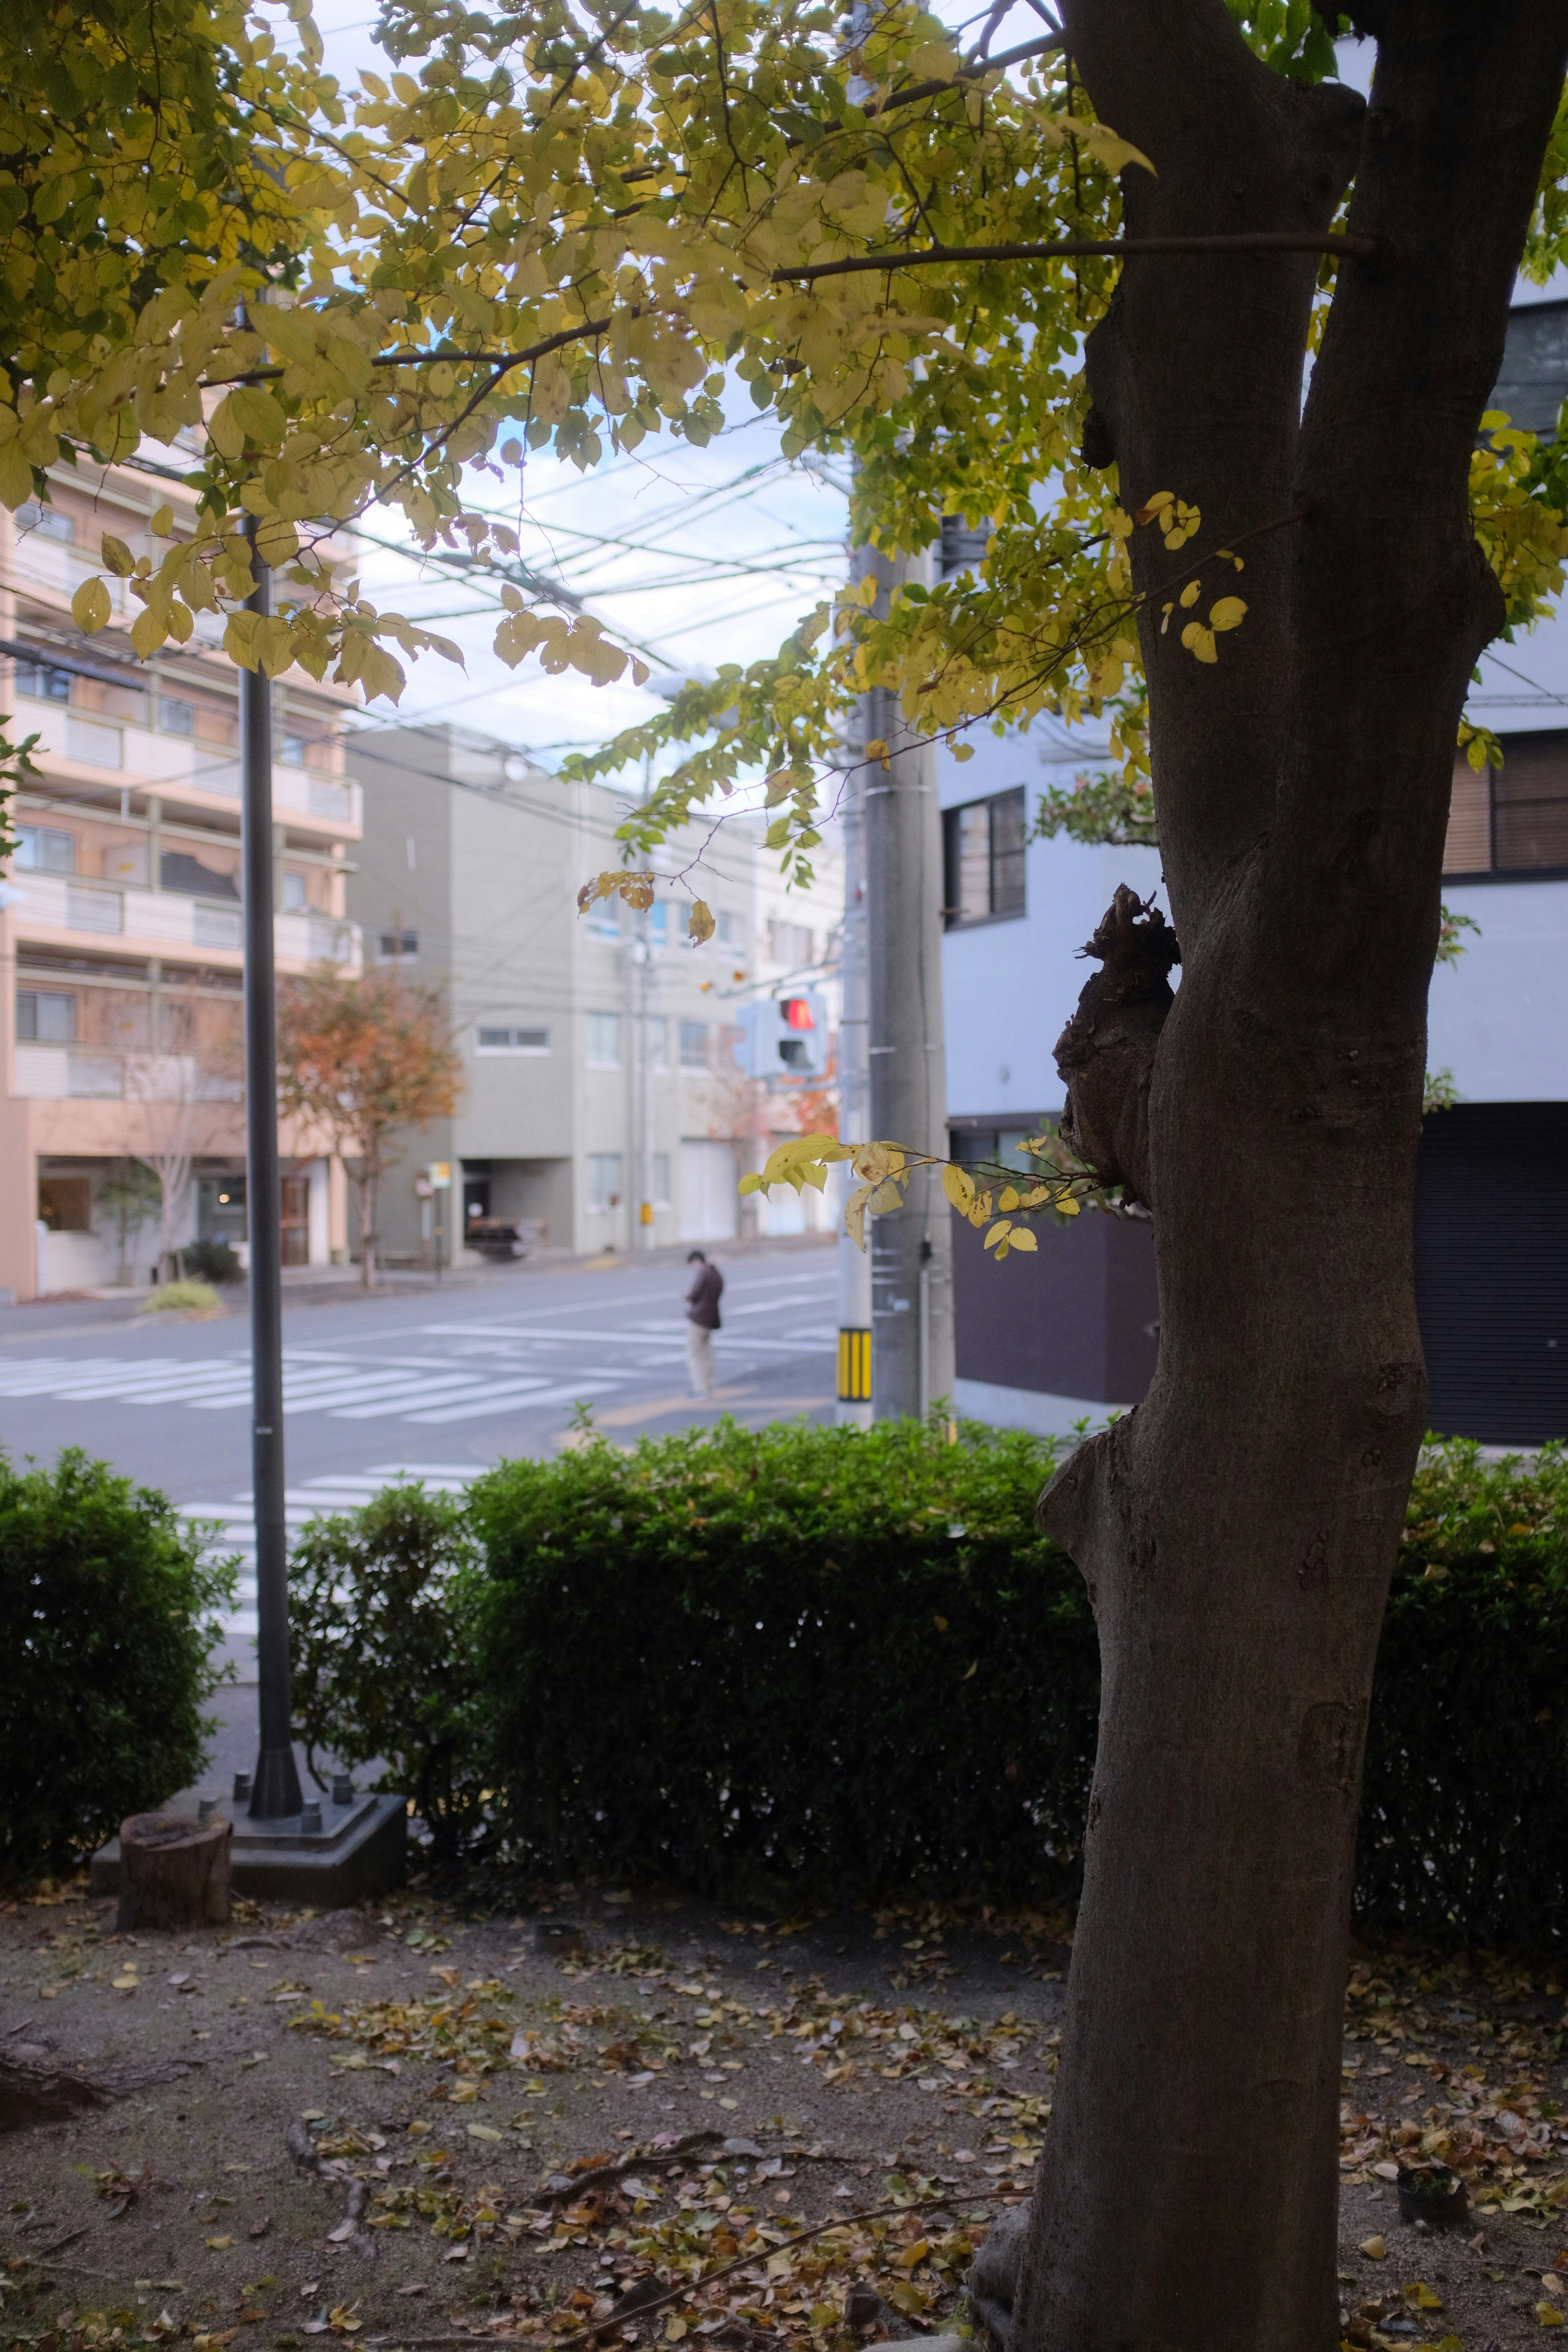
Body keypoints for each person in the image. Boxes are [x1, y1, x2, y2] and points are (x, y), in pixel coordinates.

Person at [683, 1248, 724, 1398]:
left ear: (696, 1261)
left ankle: (700, 1389)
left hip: (699, 1319)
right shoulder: (716, 1275)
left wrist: (687, 1294)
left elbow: (694, 1294)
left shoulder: (704, 1274)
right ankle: (709, 1385)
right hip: (711, 1319)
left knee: (695, 1355)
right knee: (707, 1354)